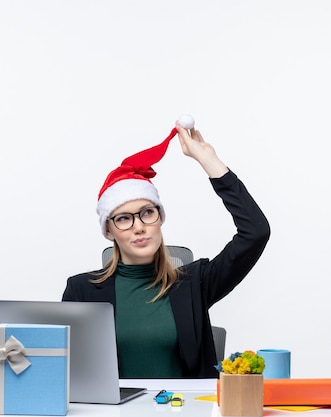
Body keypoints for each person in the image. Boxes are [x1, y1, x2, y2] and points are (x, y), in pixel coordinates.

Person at [62, 119, 270, 378]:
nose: (139, 227)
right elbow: (69, 375)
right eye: (124, 218)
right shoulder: (82, 291)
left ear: (159, 218)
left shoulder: (195, 283)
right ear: (109, 231)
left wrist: (209, 160)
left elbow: (256, 232)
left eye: (147, 213)